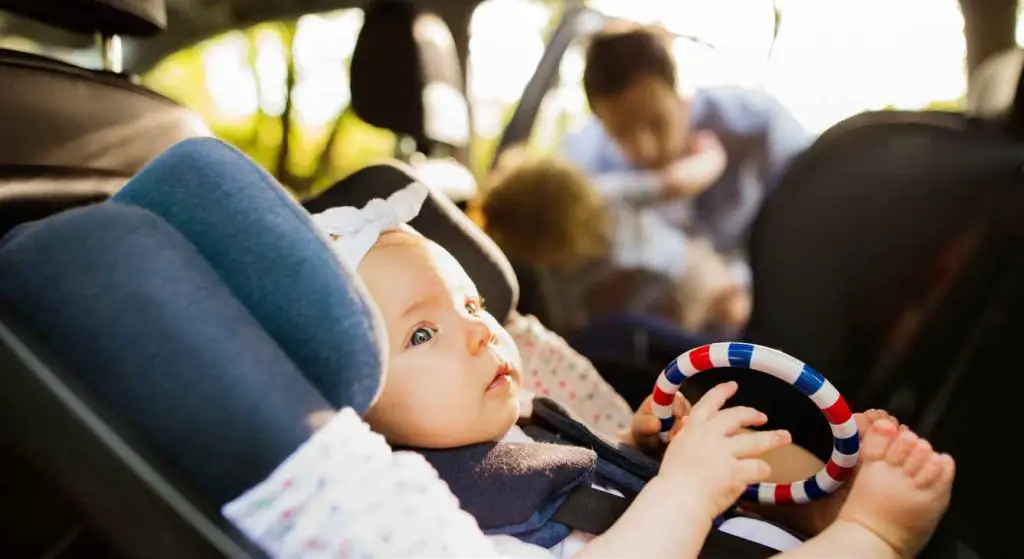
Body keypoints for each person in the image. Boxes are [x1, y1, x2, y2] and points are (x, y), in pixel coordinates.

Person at [291, 182, 953, 558]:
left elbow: (596, 494)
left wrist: (643, 451)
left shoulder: (526, 426)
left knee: (756, 451)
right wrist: (686, 490)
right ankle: (876, 533)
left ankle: (825, 502)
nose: (477, 331)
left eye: (474, 303)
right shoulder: (433, 520)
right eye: (423, 332)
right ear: (353, 402)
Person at [563, 24, 812, 256]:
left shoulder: (754, 122)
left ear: (679, 92)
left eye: (656, 123)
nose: (645, 149)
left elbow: (818, 187)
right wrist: (667, 185)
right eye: (620, 134)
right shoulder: (590, 160)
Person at [479, 153, 750, 334]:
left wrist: (711, 157)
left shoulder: (606, 196)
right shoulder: (556, 273)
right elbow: (571, 325)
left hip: (686, 272)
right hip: (658, 311)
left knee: (732, 309)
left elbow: (673, 183)